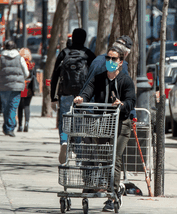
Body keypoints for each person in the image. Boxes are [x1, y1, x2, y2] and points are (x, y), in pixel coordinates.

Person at [74, 46, 136, 212]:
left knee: (114, 158)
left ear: (120, 62)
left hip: (121, 124)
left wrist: (122, 105)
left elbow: (131, 101)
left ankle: (112, 195)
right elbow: (88, 90)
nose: (109, 62)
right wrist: (81, 98)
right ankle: (108, 186)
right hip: (103, 123)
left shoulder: (125, 80)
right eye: (108, 58)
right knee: (101, 157)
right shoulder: (99, 78)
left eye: (113, 59)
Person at [50, 28, 96, 164]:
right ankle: (79, 153)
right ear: (84, 38)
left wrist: (53, 97)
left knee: (65, 120)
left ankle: (64, 142)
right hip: (83, 95)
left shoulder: (64, 53)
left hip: (65, 93)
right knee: (81, 123)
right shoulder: (88, 54)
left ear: (72, 38)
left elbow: (55, 76)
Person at [0, 40, 29, 137]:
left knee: (5, 106)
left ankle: (7, 127)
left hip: (4, 86)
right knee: (13, 107)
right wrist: (21, 78)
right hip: (16, 87)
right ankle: (10, 126)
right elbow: (26, 73)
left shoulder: (1, 59)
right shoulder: (20, 58)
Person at [17, 48, 36, 132]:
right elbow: (34, 75)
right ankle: (27, 123)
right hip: (29, 87)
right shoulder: (31, 64)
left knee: (20, 107)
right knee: (27, 105)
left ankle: (20, 125)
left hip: (20, 86)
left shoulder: (19, 63)